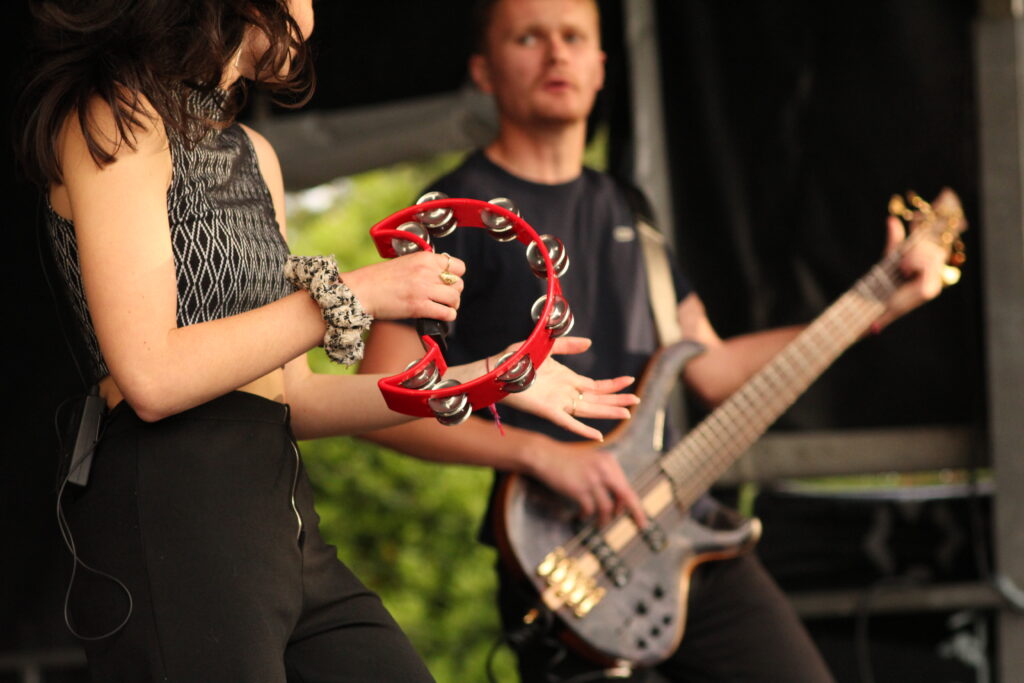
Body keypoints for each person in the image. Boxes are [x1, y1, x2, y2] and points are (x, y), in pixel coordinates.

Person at [16, 1, 639, 680]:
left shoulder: (254, 155)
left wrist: (493, 374)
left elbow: (297, 396)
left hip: (280, 512)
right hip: (173, 509)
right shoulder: (116, 116)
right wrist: (356, 294)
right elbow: (153, 376)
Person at [359, 0, 951, 680]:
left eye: (574, 37)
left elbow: (714, 366)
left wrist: (879, 303)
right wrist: (539, 455)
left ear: (600, 65)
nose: (556, 54)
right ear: (484, 71)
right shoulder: (448, 214)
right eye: (529, 37)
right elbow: (385, 398)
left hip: (682, 521)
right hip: (568, 550)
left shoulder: (628, 212)